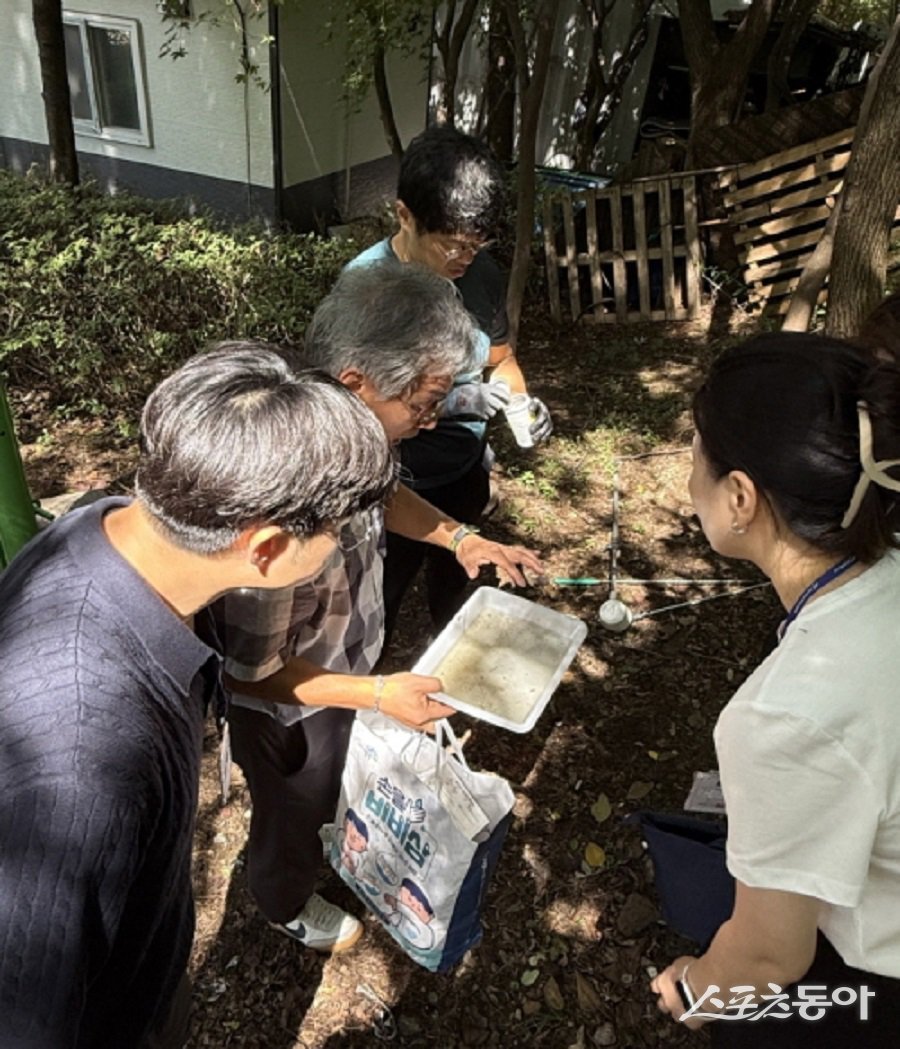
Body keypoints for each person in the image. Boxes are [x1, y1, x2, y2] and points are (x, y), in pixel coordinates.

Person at [0, 344, 396, 1049]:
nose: (339, 545)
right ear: (266, 549)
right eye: (335, 532)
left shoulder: (101, 527)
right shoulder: (84, 754)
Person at [216, 261, 543, 954]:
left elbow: (386, 495)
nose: (431, 421)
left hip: (345, 674)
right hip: (287, 710)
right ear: (356, 382)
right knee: (292, 808)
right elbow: (251, 674)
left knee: (330, 787)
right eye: (422, 404)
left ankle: (323, 839)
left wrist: (460, 537)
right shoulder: (281, 497)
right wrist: (376, 694)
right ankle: (281, 901)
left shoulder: (361, 436)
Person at [650, 332, 900, 1046]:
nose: (687, 481)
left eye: (695, 457)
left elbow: (770, 956)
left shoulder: (785, 717)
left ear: (740, 498)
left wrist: (694, 989)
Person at [347, 125, 553, 643]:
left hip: (464, 469)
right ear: (405, 216)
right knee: (381, 600)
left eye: (477, 245)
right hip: (394, 483)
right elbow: (351, 418)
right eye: (452, 245)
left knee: (457, 588)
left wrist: (519, 402)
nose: (465, 258)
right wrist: (453, 400)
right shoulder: (364, 295)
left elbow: (501, 360)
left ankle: (451, 650)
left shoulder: (480, 274)